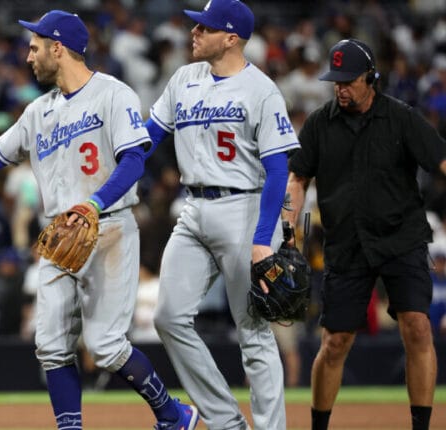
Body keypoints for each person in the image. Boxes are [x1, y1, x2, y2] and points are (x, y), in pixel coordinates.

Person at [0, 10, 198, 430]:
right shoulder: (37, 111)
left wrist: (94, 205)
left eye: (34, 47)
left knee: (105, 347)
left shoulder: (113, 95)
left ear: (58, 48)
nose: (28, 56)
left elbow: (135, 161)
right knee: (50, 347)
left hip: (109, 227)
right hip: (60, 235)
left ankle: (174, 415)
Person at [144, 0, 299, 428]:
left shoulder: (261, 90)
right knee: (168, 317)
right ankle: (225, 420)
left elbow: (278, 169)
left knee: (252, 331)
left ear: (231, 38)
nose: (193, 33)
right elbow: (148, 139)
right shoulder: (184, 78)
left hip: (242, 207)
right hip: (192, 208)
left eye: (204, 28)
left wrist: (262, 239)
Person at [285, 38, 441, 430]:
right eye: (335, 80)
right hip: (347, 242)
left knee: (417, 326)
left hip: (401, 236)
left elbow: (440, 159)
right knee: (335, 342)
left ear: (370, 78)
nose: (340, 87)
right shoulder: (321, 122)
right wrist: (289, 227)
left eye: (348, 80)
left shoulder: (401, 117)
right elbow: (298, 177)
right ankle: (319, 426)